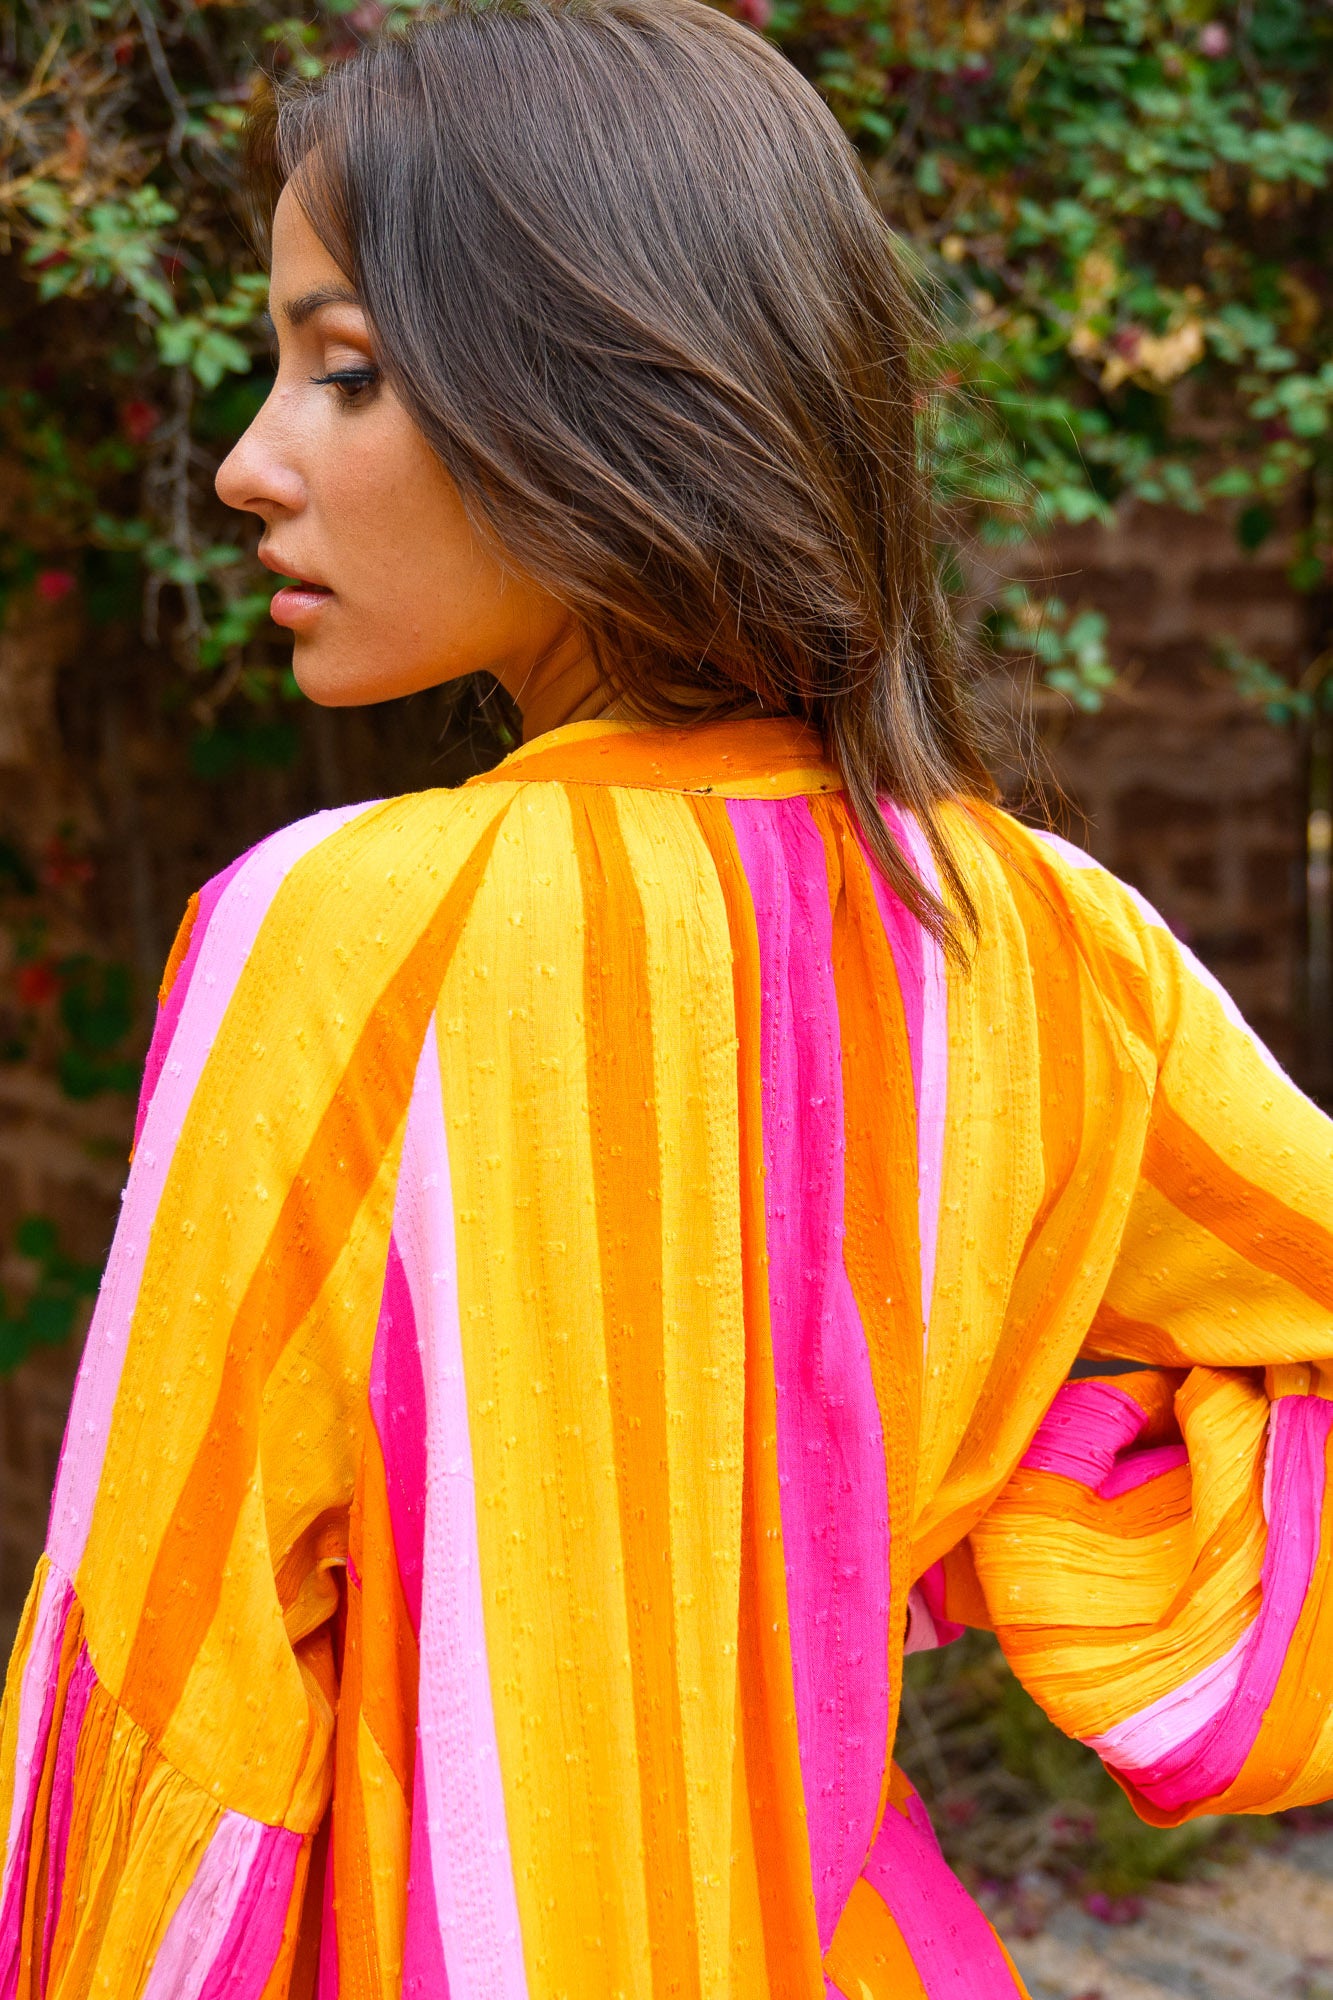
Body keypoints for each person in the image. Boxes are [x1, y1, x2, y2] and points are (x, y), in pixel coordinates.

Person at [2, 3, 1331, 1994]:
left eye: (344, 371)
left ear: (589, 389)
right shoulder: (1045, 941)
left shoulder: (352, 934)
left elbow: (165, 1684)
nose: (246, 462)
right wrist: (987, 1508)